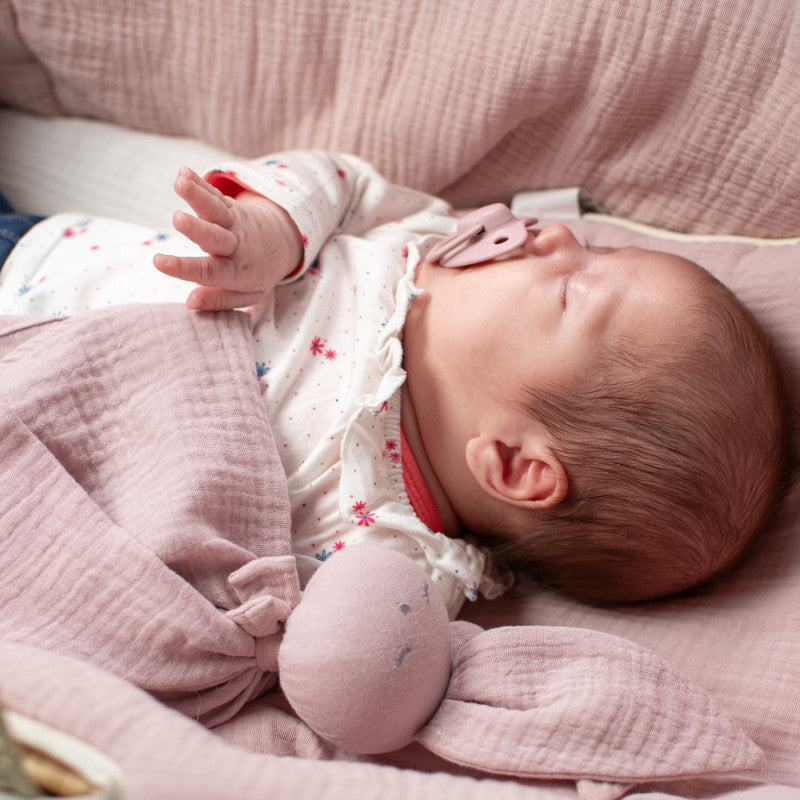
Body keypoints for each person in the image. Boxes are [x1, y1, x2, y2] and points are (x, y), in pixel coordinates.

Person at [0, 152, 790, 611]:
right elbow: (339, 179)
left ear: (514, 465)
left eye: (576, 286)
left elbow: (290, 629)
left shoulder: (393, 554)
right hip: (29, 260)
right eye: (599, 247)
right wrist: (277, 228)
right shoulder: (423, 246)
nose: (557, 236)